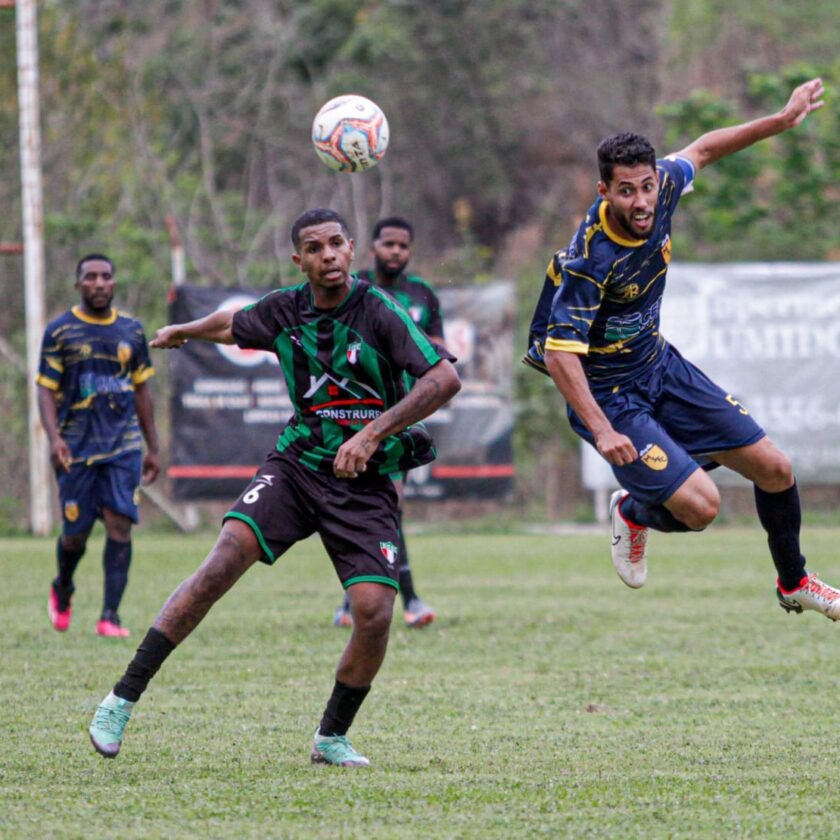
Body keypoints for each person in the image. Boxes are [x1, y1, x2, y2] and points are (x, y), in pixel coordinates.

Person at [88, 209, 460, 767]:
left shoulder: (380, 312)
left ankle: (331, 737)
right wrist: (183, 332)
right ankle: (120, 698)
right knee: (219, 564)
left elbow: (444, 379)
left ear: (351, 249)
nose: (328, 255)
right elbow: (231, 323)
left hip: (365, 479)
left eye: (337, 244)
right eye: (315, 248)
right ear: (299, 260)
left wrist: (372, 433)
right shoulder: (286, 309)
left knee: (376, 611)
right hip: (297, 465)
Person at [524, 77, 840, 620]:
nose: (641, 200)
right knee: (701, 509)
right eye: (626, 190)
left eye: (646, 186)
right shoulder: (591, 259)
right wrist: (602, 430)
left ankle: (795, 581)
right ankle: (632, 511)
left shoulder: (664, 184)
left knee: (775, 469)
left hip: (658, 364)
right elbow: (559, 355)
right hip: (611, 394)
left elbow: (705, 148)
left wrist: (781, 120)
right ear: (604, 192)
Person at [38, 253, 160, 638]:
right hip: (75, 447)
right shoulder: (60, 332)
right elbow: (45, 390)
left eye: (106, 276)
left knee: (120, 525)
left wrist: (152, 446)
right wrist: (55, 437)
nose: (99, 283)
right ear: (78, 284)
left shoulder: (132, 331)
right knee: (76, 532)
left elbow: (142, 389)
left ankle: (110, 615)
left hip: (123, 445)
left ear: (114, 282)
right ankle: (63, 586)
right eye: (90, 276)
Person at [332, 216, 445, 630]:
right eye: (388, 244)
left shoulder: (422, 294)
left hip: (398, 415)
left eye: (403, 245)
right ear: (372, 247)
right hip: (351, 410)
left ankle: (404, 601)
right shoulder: (355, 287)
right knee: (354, 509)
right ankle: (363, 599)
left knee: (388, 506)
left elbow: (439, 347)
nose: (395, 251)